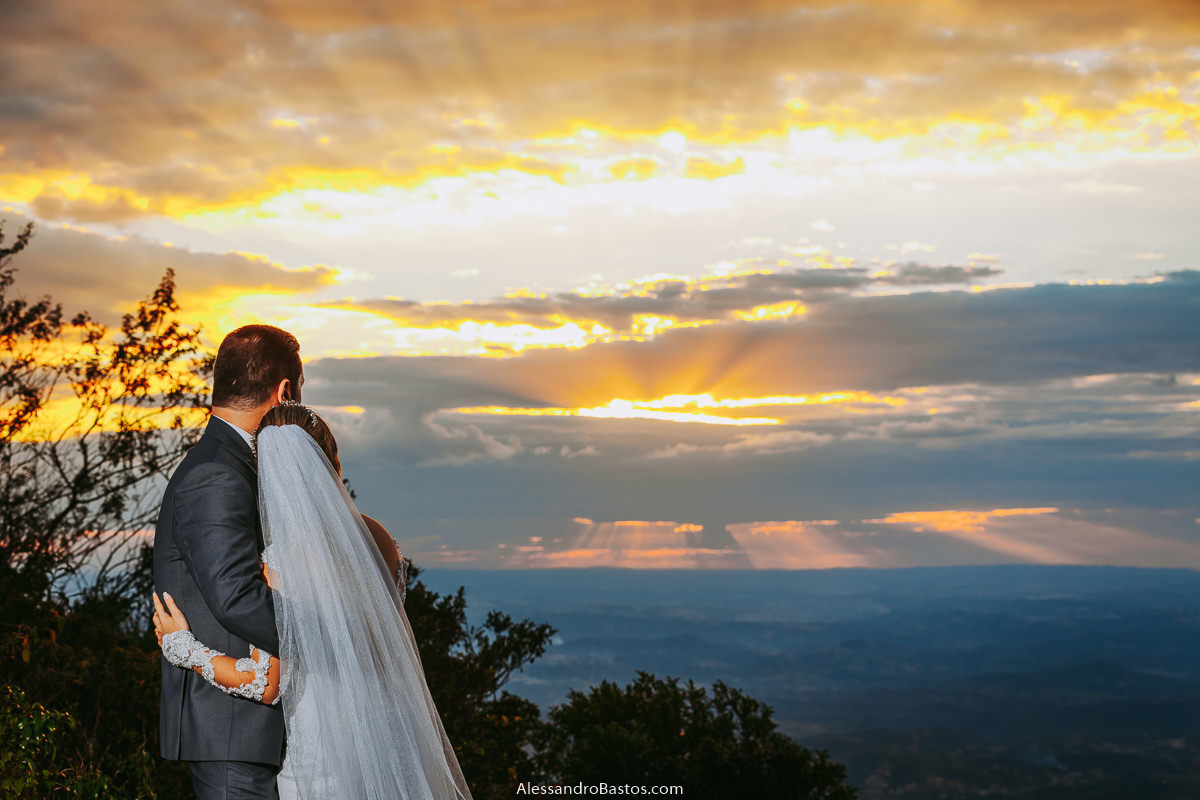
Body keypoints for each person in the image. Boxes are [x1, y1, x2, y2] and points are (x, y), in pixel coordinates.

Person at [154, 402, 471, 800]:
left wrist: (183, 648)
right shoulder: (379, 539)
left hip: (322, 754)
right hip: (388, 734)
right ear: (331, 458)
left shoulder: (280, 560)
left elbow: (264, 683)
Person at [153, 324, 302, 799]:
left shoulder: (233, 463)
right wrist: (324, 639)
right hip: (231, 728)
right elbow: (235, 596)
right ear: (284, 392)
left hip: (249, 724)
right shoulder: (218, 471)